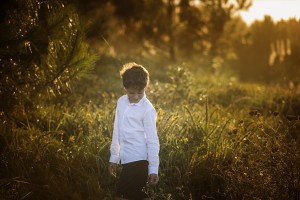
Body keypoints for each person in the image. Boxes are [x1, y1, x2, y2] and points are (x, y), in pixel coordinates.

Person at [108, 62, 160, 200]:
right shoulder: (121, 102)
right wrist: (114, 157)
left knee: (120, 196)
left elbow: (153, 141)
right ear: (125, 88)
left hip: (139, 161)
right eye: (132, 92)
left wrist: (153, 169)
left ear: (145, 88)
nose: (136, 96)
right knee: (139, 197)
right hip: (126, 160)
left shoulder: (147, 109)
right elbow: (117, 130)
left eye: (140, 92)